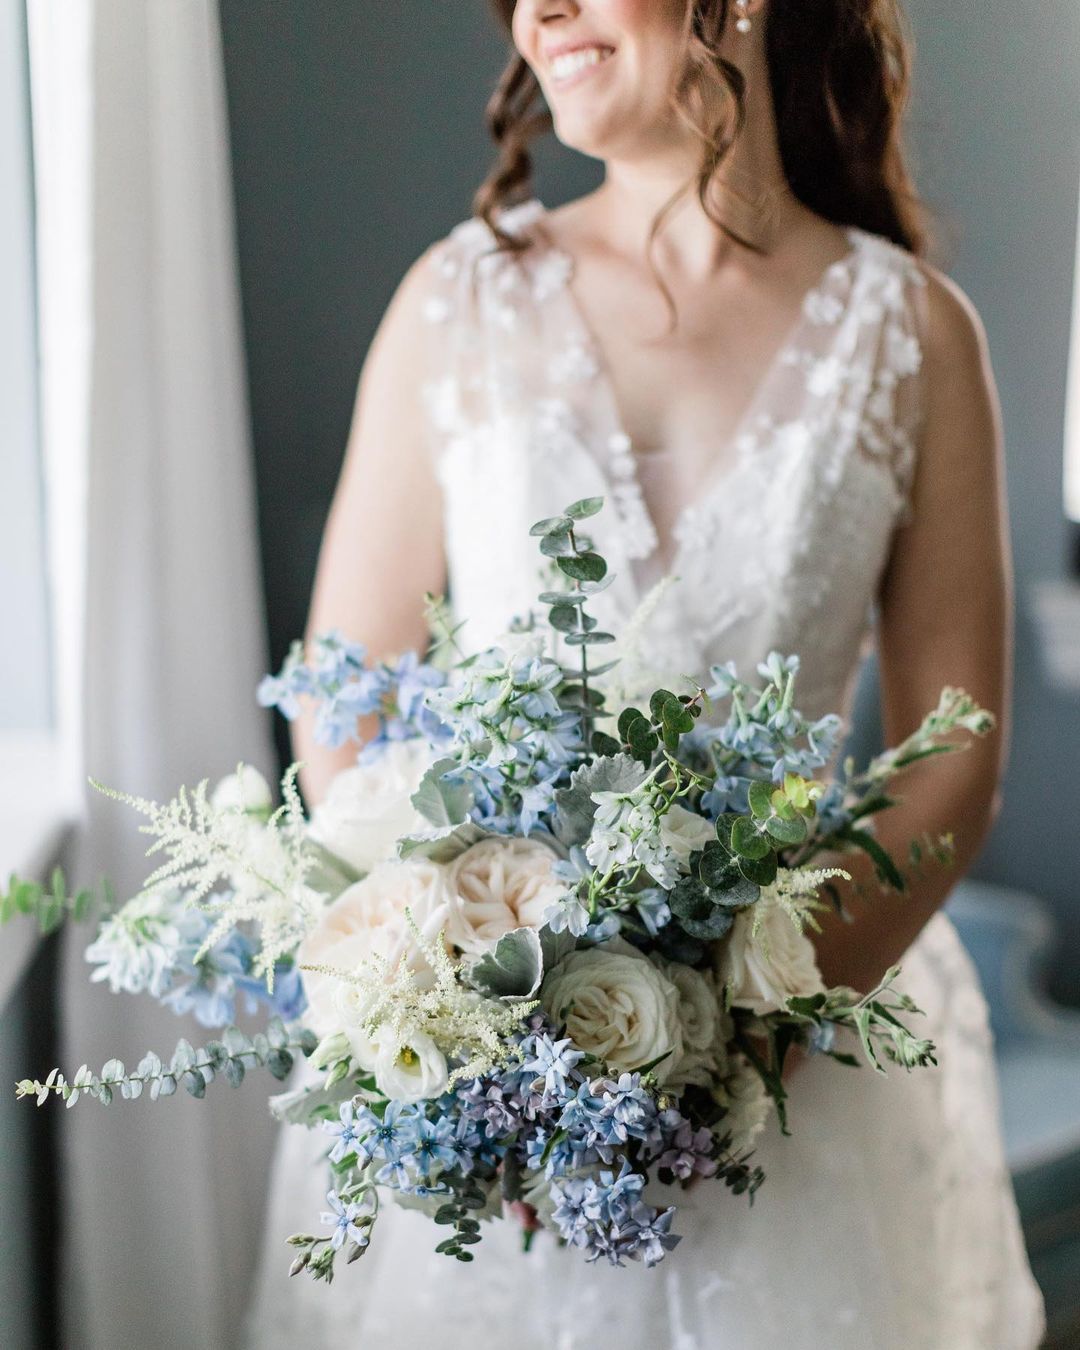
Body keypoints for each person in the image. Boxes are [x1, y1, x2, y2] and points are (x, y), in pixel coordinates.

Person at [243, 2, 1046, 1345]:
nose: (537, 8)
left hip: (805, 1079)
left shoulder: (913, 334)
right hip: (489, 1082)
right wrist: (465, 1014)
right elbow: (343, 696)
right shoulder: (457, 301)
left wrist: (739, 1028)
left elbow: (955, 754)